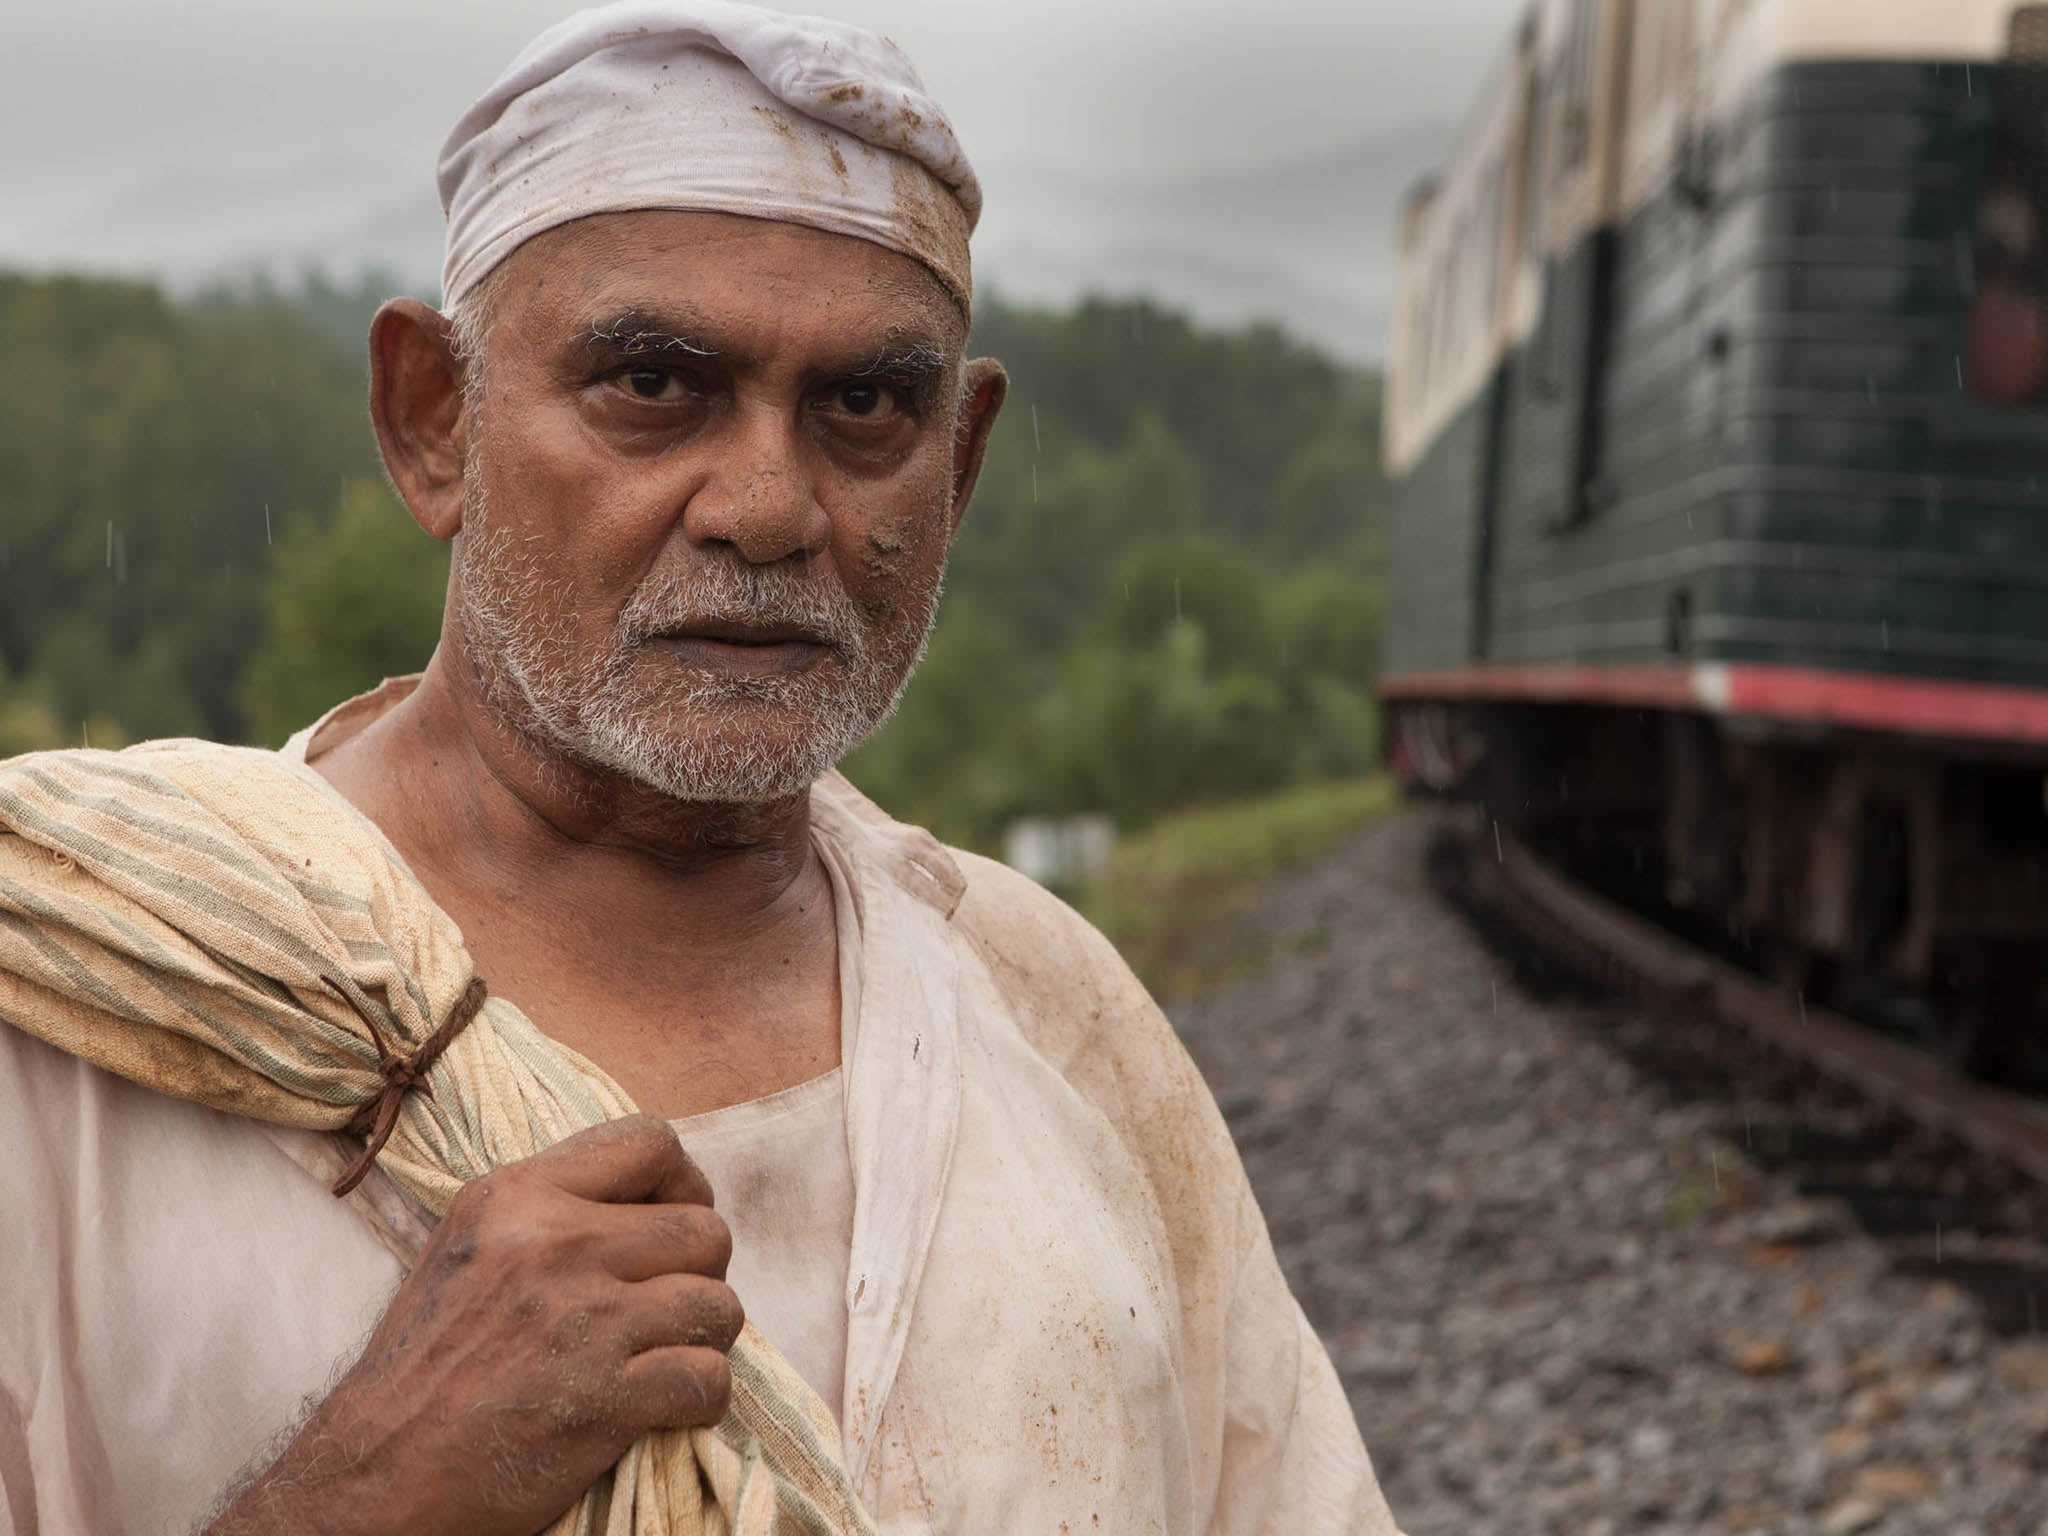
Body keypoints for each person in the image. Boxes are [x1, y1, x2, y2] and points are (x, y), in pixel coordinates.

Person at [0, 3, 1402, 1532]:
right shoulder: (92, 1003)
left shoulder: (1051, 1018)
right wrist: (374, 1491)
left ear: (964, 465)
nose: (765, 506)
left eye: (866, 406)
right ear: (434, 421)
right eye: (653, 387)